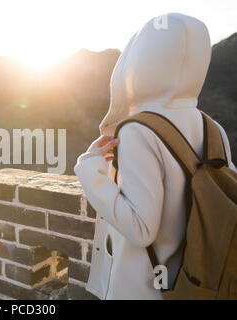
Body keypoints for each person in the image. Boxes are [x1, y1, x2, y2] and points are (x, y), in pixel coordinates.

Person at [74, 13, 235, 299]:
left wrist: (88, 171)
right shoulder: (213, 128)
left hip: (143, 289)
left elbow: (140, 229)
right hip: (198, 285)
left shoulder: (139, 131)